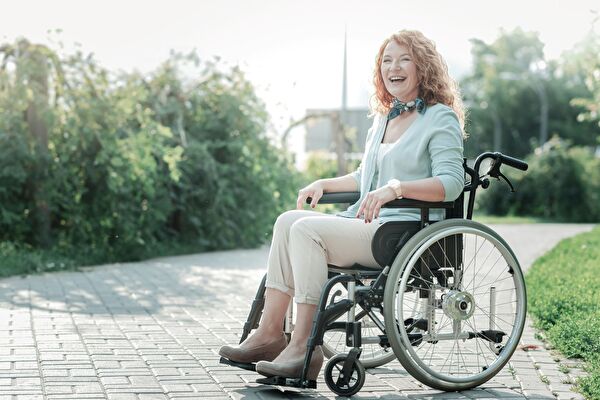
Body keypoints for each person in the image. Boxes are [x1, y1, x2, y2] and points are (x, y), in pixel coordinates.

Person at [219, 29, 466, 381]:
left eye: (404, 59)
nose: (393, 67)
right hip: (366, 223)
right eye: (386, 61)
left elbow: (451, 184)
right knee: (288, 220)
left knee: (306, 230)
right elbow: (365, 176)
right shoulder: (384, 119)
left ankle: (304, 346)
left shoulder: (439, 118)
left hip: (403, 230)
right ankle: (269, 333)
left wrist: (396, 189)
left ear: (423, 66)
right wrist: (324, 184)